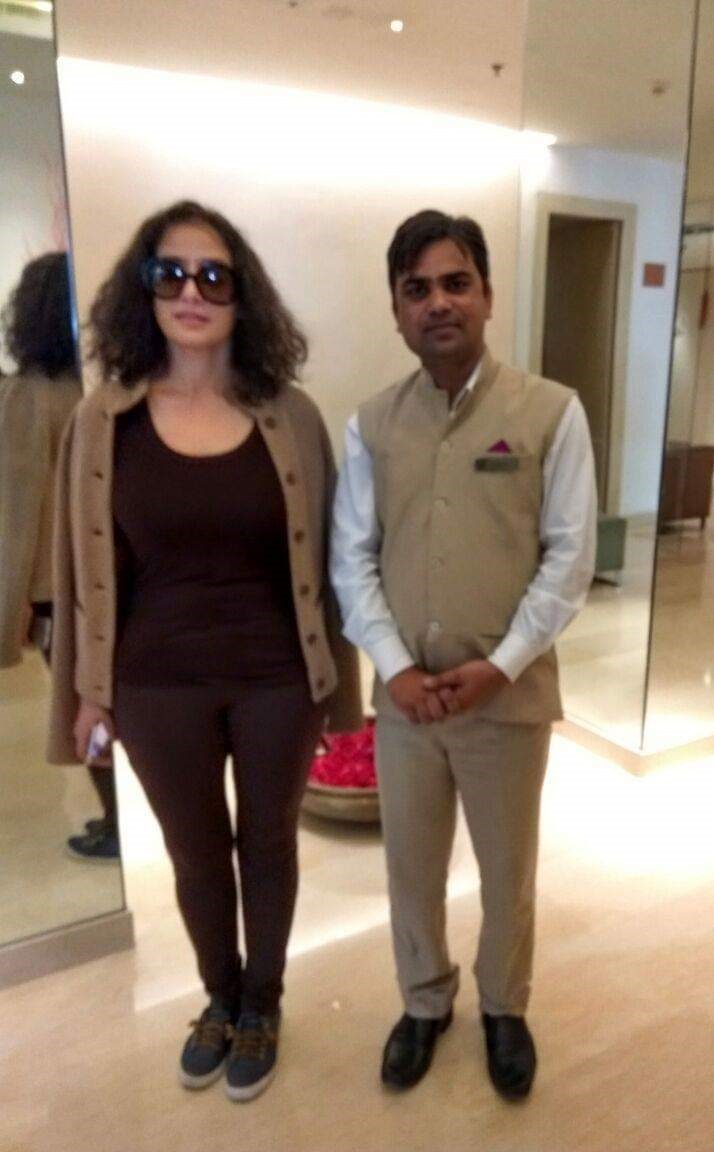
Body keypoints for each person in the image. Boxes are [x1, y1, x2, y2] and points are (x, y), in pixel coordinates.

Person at [46, 200, 360, 1101]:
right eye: (170, 273)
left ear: (241, 294)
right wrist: (88, 693)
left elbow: (331, 562)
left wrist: (339, 691)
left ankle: (264, 1002)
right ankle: (219, 998)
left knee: (269, 844)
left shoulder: (291, 416)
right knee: (194, 853)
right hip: (154, 685)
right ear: (143, 290)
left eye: (214, 275)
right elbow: (81, 573)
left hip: (277, 679)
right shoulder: (101, 422)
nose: (191, 291)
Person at [331, 209, 597, 1098]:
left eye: (456, 283)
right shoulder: (372, 425)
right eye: (417, 289)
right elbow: (352, 558)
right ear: (396, 310)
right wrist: (396, 668)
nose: (438, 303)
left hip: (507, 701)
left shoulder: (552, 413)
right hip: (407, 705)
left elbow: (569, 558)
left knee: (506, 872)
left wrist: (504, 663)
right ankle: (424, 1001)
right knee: (410, 868)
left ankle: (504, 1007)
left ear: (486, 294)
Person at [0, 253, 119, 859]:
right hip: (113, 574)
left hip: (57, 585)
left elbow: (19, 510)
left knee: (83, 705)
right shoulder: (102, 389)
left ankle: (118, 820)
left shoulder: (28, 396)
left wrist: (11, 603)